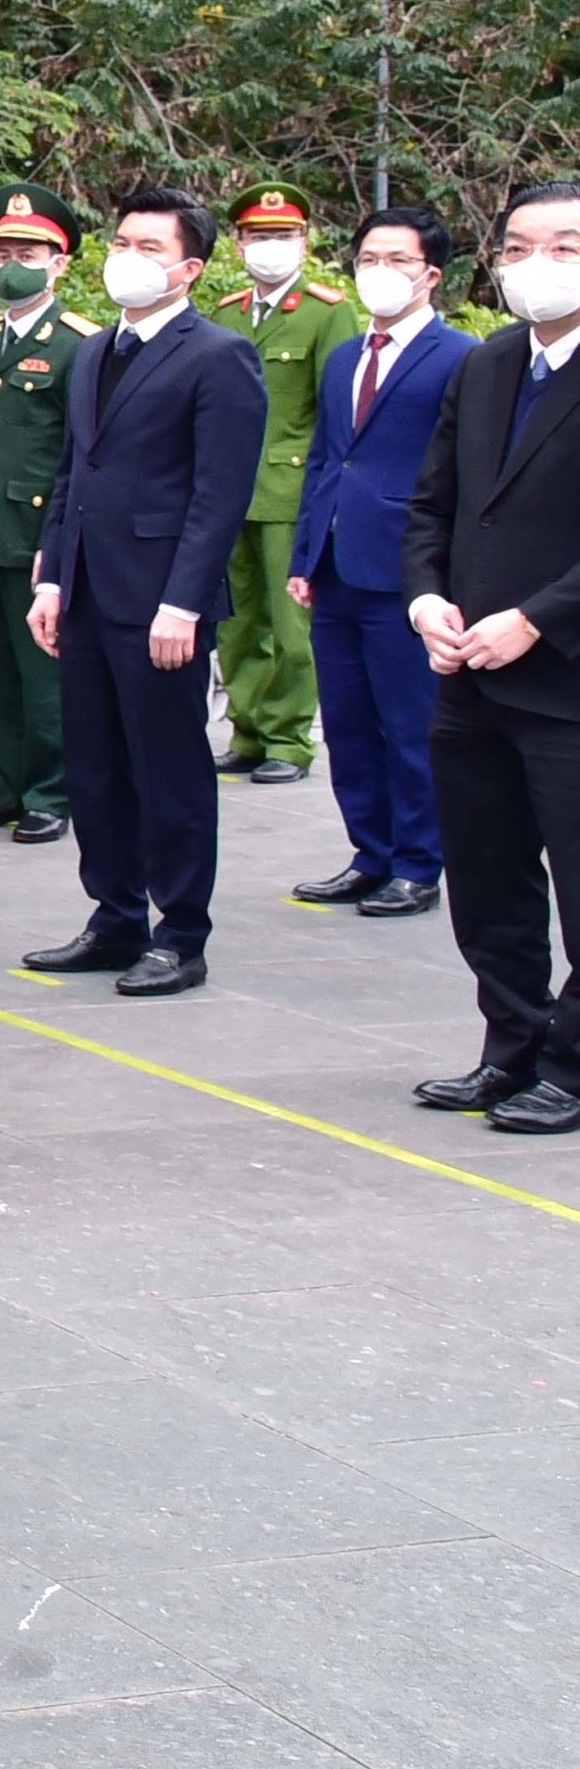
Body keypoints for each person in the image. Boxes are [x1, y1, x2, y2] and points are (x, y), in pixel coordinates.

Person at [24, 188, 266, 996]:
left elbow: (217, 494)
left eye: (149, 247)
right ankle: (114, 916)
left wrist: (183, 603)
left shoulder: (216, 355)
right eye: (121, 242)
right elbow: (72, 473)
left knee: (167, 770)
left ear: (189, 268)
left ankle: (180, 933)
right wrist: (53, 573)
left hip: (161, 600)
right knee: (93, 766)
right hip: (89, 589)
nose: (128, 258)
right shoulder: (94, 349)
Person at [401, 180, 580, 1135]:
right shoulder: (487, 364)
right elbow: (432, 500)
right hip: (468, 670)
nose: (534, 266)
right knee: (485, 874)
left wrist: (539, 619)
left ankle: (571, 1065)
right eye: (517, 247)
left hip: (564, 675)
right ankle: (507, 1046)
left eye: (563, 246)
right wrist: (426, 596)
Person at [286, 206, 471, 919]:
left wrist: (445, 574)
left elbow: (461, 472)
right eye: (367, 258)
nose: (377, 273)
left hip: (406, 572)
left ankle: (418, 863)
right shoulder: (343, 357)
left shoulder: (458, 358)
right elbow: (329, 458)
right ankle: (369, 853)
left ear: (429, 275)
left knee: (410, 723)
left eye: (395, 261)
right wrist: (307, 551)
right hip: (336, 563)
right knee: (347, 721)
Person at [0, 187, 92, 844]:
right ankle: (9, 782)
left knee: (43, 675)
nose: (11, 264)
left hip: (35, 533)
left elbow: (78, 454)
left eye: (27, 253)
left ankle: (52, 793)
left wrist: (59, 546)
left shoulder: (78, 344)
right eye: (2, 252)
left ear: (58, 263)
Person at [205, 184, 363, 784]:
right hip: (227, 489)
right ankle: (246, 730)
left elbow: (338, 412)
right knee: (236, 621)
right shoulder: (225, 311)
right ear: (240, 243)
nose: (271, 247)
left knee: (291, 625)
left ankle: (288, 740)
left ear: (304, 241)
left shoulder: (327, 310)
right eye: (260, 236)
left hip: (292, 491)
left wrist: (330, 500)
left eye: (284, 236)